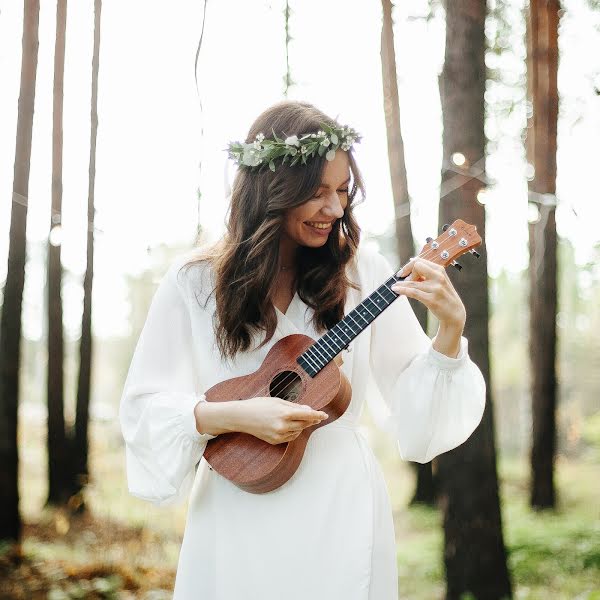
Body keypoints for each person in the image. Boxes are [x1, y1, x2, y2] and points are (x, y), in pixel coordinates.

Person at [118, 100, 486, 600]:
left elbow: (415, 415)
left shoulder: (365, 272)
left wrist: (448, 331)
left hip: (339, 508)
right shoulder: (195, 282)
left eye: (341, 191)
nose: (334, 210)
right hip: (237, 502)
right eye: (316, 193)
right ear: (270, 191)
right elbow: (144, 410)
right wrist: (234, 416)